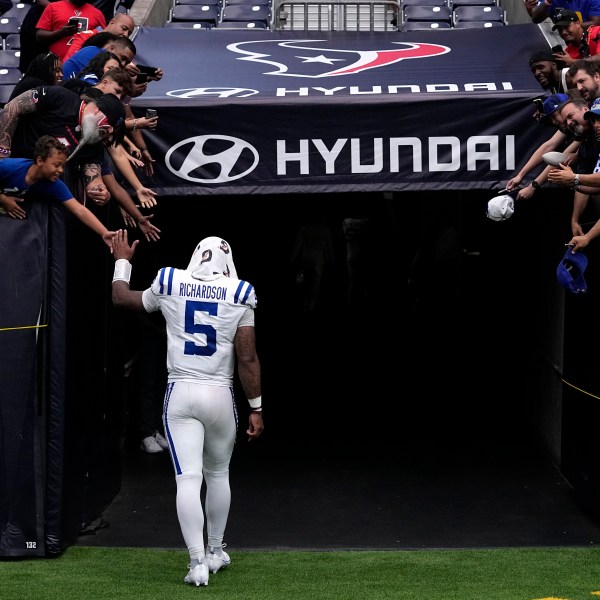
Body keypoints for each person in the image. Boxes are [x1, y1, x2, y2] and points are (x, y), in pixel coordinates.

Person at [110, 232, 264, 587]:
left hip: (181, 392)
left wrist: (122, 260)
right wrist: (256, 407)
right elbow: (247, 357)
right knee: (219, 474)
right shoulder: (240, 292)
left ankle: (196, 563)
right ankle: (214, 551)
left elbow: (122, 299)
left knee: (188, 479)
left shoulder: (169, 280)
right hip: (220, 395)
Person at [0, 135, 115, 250]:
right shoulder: (8, 167)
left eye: (63, 166)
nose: (60, 170)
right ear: (40, 161)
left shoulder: (53, 185)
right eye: (56, 165)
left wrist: (104, 232)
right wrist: (3, 199)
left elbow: (79, 210)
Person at [35, 0, 106, 61]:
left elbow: (105, 39)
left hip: (82, 63)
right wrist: (60, 32)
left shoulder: (97, 14)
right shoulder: (53, 7)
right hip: (54, 63)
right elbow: (39, 36)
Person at [62, 11, 134, 61]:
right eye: (124, 28)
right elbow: (70, 60)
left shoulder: (122, 50)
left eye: (129, 33)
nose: (126, 35)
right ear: (112, 23)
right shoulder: (86, 36)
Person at [530, 0, 600, 27]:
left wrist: (570, 26)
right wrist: (547, 2)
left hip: (590, 38)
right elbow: (536, 19)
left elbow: (596, 23)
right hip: (565, 41)